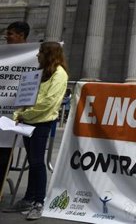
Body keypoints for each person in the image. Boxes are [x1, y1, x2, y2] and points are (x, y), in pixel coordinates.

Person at [3, 42, 68, 220]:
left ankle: (39, 202)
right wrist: (19, 113)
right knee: (33, 161)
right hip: (28, 121)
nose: (37, 55)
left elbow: (49, 102)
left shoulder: (59, 74)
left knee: (37, 162)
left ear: (49, 54)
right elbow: (27, 95)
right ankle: (29, 198)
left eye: (41, 52)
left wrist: (25, 114)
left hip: (41, 123)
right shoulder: (41, 74)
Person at [1, 21, 31, 201]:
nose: (7, 37)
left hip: (13, 114)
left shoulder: (32, 56)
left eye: (10, 34)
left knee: (4, 152)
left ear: (21, 35)